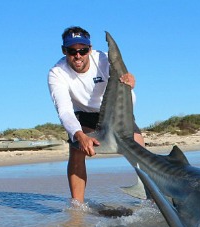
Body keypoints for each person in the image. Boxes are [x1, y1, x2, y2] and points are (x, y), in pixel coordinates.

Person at [47, 26, 146, 204]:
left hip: (116, 112)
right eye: (72, 51)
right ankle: (77, 206)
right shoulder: (57, 73)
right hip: (85, 116)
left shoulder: (103, 59)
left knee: (140, 149)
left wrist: (131, 80)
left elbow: (125, 84)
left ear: (90, 49)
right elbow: (64, 111)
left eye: (83, 50)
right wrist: (79, 135)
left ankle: (153, 199)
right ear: (64, 51)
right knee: (76, 149)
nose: (78, 56)